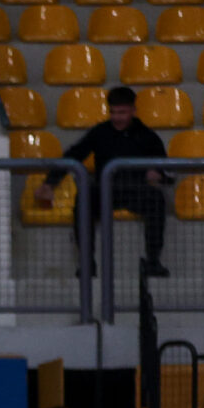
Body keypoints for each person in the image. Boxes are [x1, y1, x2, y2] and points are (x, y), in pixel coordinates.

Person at [39, 86, 169, 279]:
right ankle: (87, 262)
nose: (117, 117)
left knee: (156, 199)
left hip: (136, 190)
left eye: (122, 112)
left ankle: (153, 261)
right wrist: (50, 183)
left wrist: (158, 174)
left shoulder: (148, 136)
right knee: (84, 199)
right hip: (105, 190)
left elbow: (165, 168)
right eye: (113, 112)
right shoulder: (100, 132)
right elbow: (74, 155)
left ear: (133, 111)